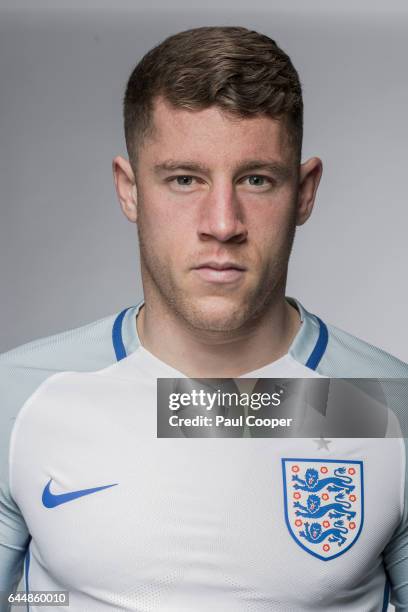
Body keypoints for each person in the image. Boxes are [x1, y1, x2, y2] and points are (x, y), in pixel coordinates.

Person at [0, 26, 407, 611]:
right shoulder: (21, 397)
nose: (222, 223)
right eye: (185, 179)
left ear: (305, 192)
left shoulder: (392, 405)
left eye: (256, 179)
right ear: (130, 189)